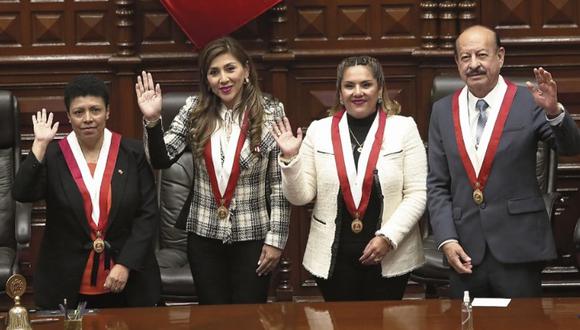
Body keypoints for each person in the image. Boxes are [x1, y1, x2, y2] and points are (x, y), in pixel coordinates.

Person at [427, 25, 580, 298]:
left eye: (481, 55)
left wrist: (554, 111)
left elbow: (570, 147)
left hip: (518, 245)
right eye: (465, 57)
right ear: (457, 63)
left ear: (500, 57)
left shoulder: (529, 100)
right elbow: (437, 184)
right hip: (464, 249)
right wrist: (447, 240)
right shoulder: (441, 110)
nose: (473, 64)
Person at [136, 37, 290, 305]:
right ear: (206, 79)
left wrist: (276, 240)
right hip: (204, 234)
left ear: (246, 70)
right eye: (214, 72)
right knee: (211, 316)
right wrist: (152, 120)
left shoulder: (271, 111)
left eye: (230, 69)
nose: (223, 79)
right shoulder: (194, 109)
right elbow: (161, 159)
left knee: (249, 316)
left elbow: (279, 183)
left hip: (253, 234)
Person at [272, 55, 426, 301]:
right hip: (333, 258)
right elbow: (300, 197)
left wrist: (388, 237)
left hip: (390, 253)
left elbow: (418, 193)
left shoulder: (404, 128)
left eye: (366, 84)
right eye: (349, 86)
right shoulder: (319, 130)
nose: (358, 92)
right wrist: (290, 159)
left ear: (380, 89)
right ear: (340, 92)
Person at [12, 75, 161, 309]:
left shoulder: (132, 153)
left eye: (95, 110)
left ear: (108, 112)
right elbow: (22, 193)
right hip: (67, 281)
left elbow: (148, 214)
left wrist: (125, 264)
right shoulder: (53, 156)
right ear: (69, 116)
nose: (88, 119)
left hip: (128, 278)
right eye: (79, 112)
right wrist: (39, 146)